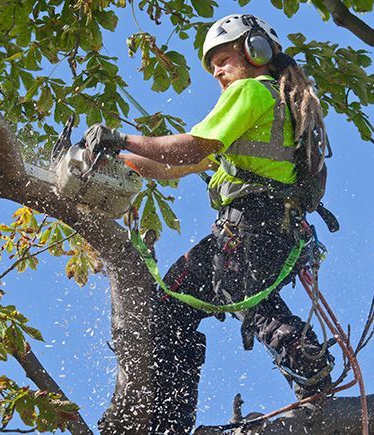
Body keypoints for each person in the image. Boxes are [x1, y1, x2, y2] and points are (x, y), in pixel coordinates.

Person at [84, 14, 334, 433]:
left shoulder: (251, 91)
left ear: (256, 51)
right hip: (274, 230)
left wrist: (120, 138)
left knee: (213, 303)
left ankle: (174, 419)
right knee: (191, 308)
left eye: (222, 59)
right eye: (212, 65)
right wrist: (121, 162)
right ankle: (303, 367)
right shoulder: (277, 102)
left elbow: (191, 147)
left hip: (248, 229)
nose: (217, 72)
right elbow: (182, 164)